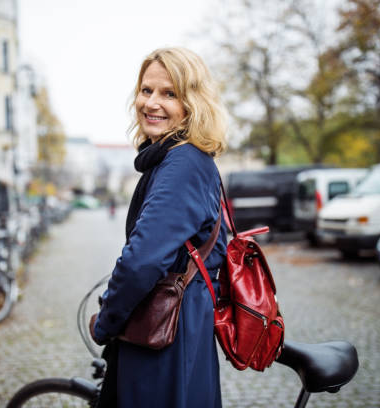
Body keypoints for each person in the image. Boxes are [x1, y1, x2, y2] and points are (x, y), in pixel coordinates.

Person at [90, 47, 229, 408]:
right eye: (146, 90)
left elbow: (141, 261)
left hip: (166, 335)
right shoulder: (173, 158)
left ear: (192, 104)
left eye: (169, 93)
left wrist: (107, 322)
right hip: (173, 326)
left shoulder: (182, 162)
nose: (152, 103)